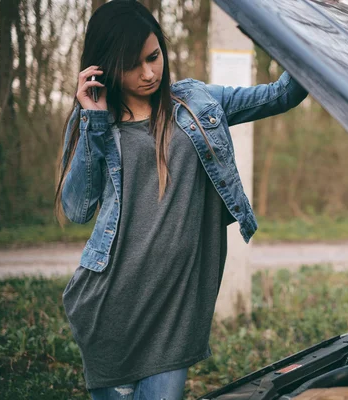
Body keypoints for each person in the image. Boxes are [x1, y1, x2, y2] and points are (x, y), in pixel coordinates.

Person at [54, 1, 308, 399]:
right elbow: (77, 209)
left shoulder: (197, 102)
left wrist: (302, 29)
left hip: (176, 310)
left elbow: (283, 94)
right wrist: (94, 121)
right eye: (132, 65)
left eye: (153, 56)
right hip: (112, 310)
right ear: (103, 67)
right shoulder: (93, 120)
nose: (149, 73)